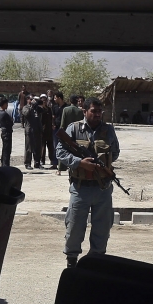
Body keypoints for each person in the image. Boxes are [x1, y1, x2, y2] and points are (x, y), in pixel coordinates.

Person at [57, 98, 121, 266]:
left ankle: (96, 261)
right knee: (74, 227)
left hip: (103, 188)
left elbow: (115, 152)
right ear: (84, 111)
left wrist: (102, 163)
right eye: (93, 111)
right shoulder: (74, 129)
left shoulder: (108, 130)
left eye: (100, 111)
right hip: (80, 188)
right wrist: (80, 163)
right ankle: (72, 260)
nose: (97, 114)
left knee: (102, 228)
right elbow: (60, 152)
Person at [57, 94, 85, 174]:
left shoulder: (66, 109)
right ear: (77, 101)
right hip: (77, 132)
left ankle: (60, 169)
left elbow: (62, 123)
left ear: (70, 101)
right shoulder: (80, 111)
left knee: (63, 149)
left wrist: (61, 133)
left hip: (66, 133)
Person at [23, 95, 44, 169]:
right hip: (30, 130)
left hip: (37, 130)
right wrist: (31, 106)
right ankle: (27, 163)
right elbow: (26, 114)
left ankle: (37, 163)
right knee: (29, 147)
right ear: (27, 99)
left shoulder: (37, 108)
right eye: (31, 99)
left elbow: (43, 110)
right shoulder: (25, 107)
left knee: (38, 147)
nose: (33, 100)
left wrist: (37, 105)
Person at [0, 96, 13, 167]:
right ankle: (5, 165)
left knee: (5, 149)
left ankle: (3, 164)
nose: (7, 105)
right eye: (6, 104)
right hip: (7, 133)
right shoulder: (4, 113)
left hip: (4, 132)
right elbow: (11, 122)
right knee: (7, 150)